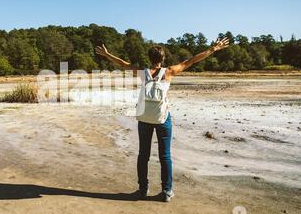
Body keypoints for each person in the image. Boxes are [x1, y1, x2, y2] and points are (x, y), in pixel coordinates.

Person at [95, 37, 230, 202]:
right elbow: (192, 60)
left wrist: (107, 54)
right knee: (165, 156)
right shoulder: (169, 72)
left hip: (145, 118)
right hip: (162, 118)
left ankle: (142, 189)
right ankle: (166, 191)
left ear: (149, 58)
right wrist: (213, 49)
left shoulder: (142, 73)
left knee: (143, 155)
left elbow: (123, 64)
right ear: (163, 58)